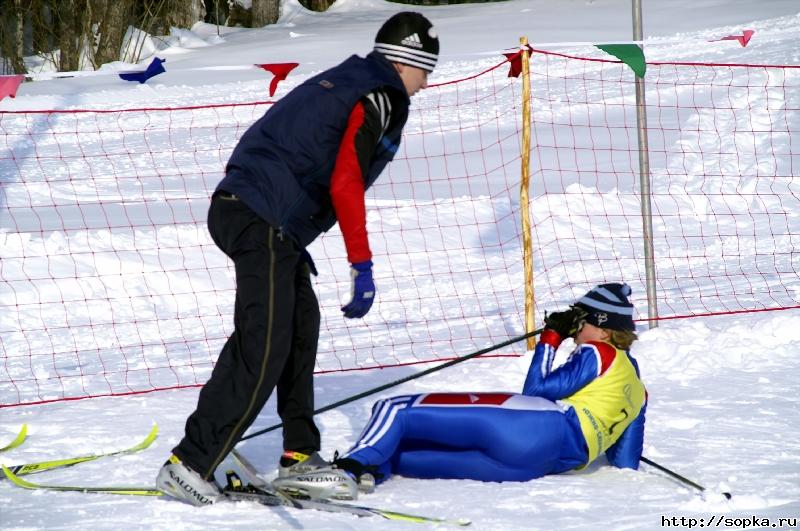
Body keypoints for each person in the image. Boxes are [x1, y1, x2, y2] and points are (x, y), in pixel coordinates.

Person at [155, 12, 440, 506]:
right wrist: (361, 262)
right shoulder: (379, 94)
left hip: (262, 215)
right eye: (425, 72)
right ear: (406, 62)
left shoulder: (355, 78)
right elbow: (346, 180)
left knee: (299, 327)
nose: (425, 85)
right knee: (263, 345)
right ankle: (191, 463)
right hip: (259, 216)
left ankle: (298, 456)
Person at [302, 283, 647, 495]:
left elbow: (537, 390)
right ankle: (368, 473)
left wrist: (551, 338)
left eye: (581, 322)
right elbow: (626, 461)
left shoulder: (598, 351)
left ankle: (344, 471)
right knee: (402, 456)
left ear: (603, 330)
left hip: (538, 426)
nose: (576, 330)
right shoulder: (637, 385)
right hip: (542, 463)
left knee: (395, 410)